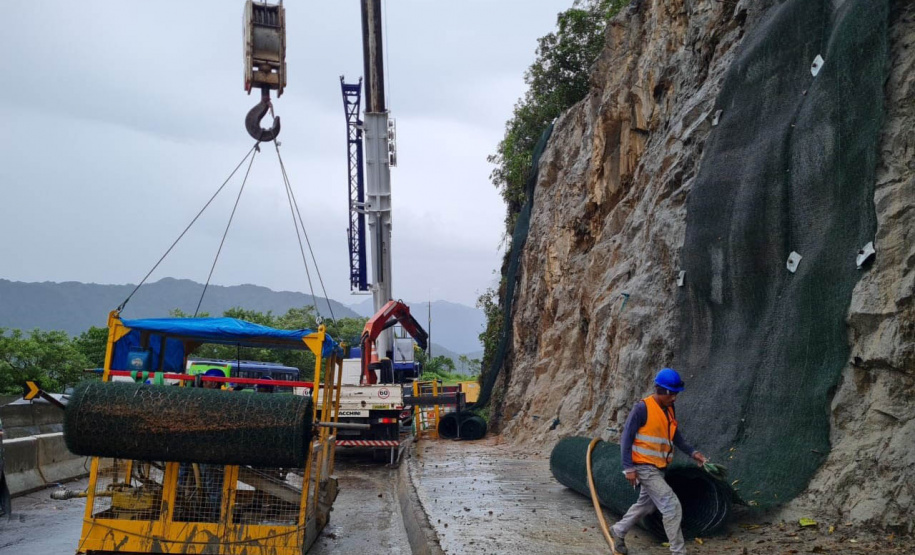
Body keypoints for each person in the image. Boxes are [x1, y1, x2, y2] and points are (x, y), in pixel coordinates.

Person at [609, 368, 706, 555]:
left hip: (659, 467)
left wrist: (693, 453)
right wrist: (628, 468)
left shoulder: (669, 408)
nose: (675, 398)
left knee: (647, 505)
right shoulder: (641, 409)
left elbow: (676, 436)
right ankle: (678, 551)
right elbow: (626, 439)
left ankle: (619, 530)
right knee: (671, 505)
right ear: (664, 391)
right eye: (673, 393)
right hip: (644, 466)